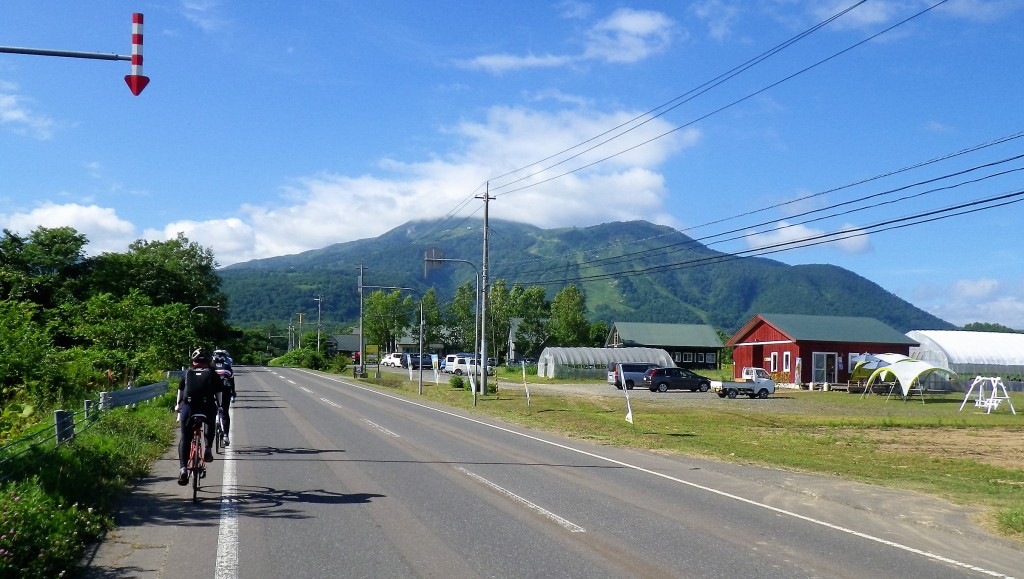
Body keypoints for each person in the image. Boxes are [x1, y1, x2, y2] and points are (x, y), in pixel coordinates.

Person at [176, 348, 222, 486]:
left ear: (193, 361)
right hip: (206, 407)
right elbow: (219, 394)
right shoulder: (213, 374)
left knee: (185, 438)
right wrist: (220, 407)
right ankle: (208, 449)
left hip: (189, 408)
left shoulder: (186, 374)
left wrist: (178, 408)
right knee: (210, 421)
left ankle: (183, 469)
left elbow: (180, 395)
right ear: (208, 361)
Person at [211, 349, 234, 446]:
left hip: (211, 392)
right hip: (225, 392)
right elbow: (232, 382)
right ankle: (225, 435)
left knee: (210, 412)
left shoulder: (210, 367)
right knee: (225, 411)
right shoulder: (227, 367)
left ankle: (209, 440)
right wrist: (233, 393)